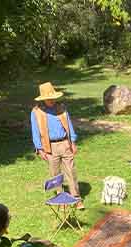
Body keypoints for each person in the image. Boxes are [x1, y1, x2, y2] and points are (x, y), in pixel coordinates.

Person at [30, 82, 84, 210]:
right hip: (49, 146)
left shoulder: (61, 108)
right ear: (43, 99)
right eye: (48, 98)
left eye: (53, 98)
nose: (51, 100)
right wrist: (39, 148)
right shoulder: (36, 112)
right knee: (56, 175)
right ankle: (61, 200)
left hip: (65, 143)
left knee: (71, 171)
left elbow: (69, 125)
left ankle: (76, 199)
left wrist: (72, 142)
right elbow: (35, 131)